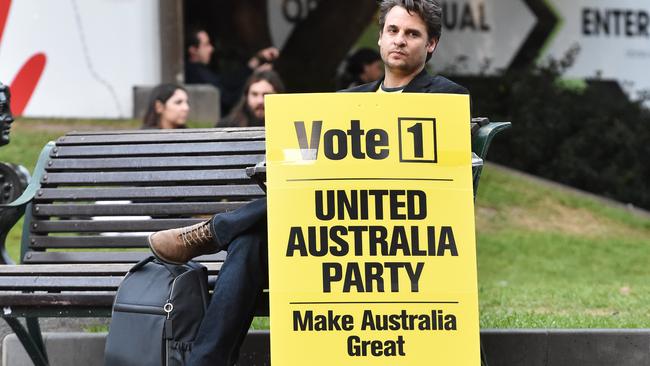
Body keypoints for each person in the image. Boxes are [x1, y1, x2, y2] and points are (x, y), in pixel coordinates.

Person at [149, 1, 468, 364]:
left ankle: (213, 231)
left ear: (431, 45)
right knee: (250, 243)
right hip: (327, 230)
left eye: (413, 34)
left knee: (253, 234)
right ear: (380, 38)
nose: (400, 40)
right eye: (393, 31)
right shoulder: (345, 102)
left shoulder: (444, 96)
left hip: (394, 232)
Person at [184, 27, 280, 117]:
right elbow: (228, 99)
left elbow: (227, 81)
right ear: (193, 50)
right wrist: (255, 77)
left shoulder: (203, 70)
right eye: (206, 45)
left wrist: (256, 61)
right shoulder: (195, 73)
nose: (211, 49)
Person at [217, 70, 285, 127]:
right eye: (254, 94)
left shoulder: (288, 127)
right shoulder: (227, 126)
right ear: (246, 96)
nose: (260, 101)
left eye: (266, 95)